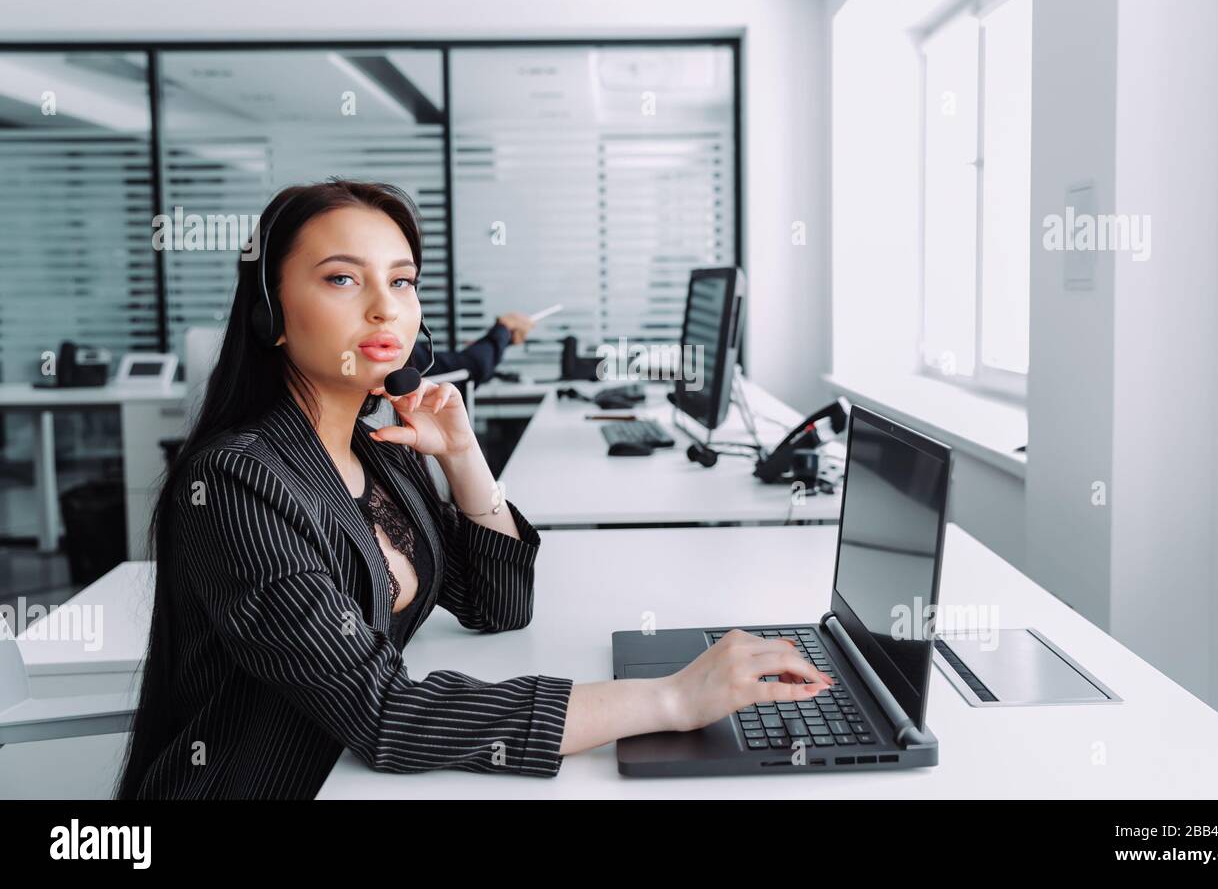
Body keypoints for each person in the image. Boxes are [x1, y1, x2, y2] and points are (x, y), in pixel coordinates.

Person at [113, 178, 832, 799]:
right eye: (342, 278)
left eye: (400, 280)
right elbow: (385, 715)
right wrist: (670, 698)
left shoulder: (379, 449)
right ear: (270, 314)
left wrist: (463, 459)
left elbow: (497, 606)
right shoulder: (239, 479)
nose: (384, 308)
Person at [409, 311, 534, 384]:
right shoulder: (407, 355)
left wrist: (504, 333)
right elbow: (473, 365)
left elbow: (473, 366)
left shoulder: (410, 354)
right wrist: (504, 329)